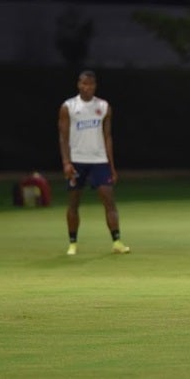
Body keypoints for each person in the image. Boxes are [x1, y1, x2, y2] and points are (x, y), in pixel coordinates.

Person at [58, 70, 131, 256]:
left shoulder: (104, 106)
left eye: (90, 84)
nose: (87, 87)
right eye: (84, 84)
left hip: (99, 161)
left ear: (95, 86)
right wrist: (66, 162)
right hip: (77, 161)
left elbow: (107, 137)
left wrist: (111, 167)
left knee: (109, 201)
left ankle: (117, 241)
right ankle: (72, 243)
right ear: (78, 84)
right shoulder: (69, 106)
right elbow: (63, 136)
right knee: (74, 202)